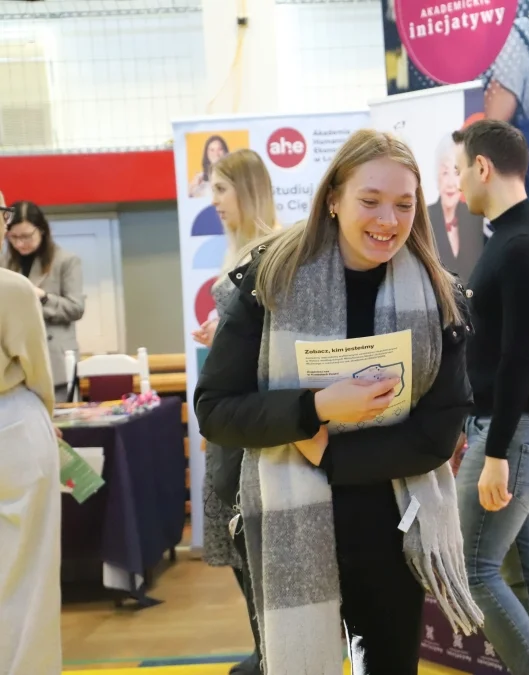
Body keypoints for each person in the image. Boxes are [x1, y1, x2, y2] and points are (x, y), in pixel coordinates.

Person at [193, 129, 482, 674]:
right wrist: (317, 409)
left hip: (393, 529)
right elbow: (216, 408)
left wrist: (330, 456)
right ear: (333, 198)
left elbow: (438, 433)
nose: (388, 221)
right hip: (287, 520)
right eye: (369, 201)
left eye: (403, 204)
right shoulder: (270, 280)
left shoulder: (439, 293)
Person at [452, 119, 529, 675]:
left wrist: (494, 452)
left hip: (512, 433)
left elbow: (523, 357)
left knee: (473, 570)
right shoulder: (516, 237)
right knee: (524, 574)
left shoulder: (521, 245)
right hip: (512, 430)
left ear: (482, 166)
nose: (457, 184)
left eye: (458, 170)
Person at [191, 149, 277, 675]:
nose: (215, 201)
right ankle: (264, 650)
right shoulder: (235, 255)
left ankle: (272, 653)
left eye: (222, 189)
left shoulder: (267, 253)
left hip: (252, 428)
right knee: (240, 548)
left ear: (247, 190)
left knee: (257, 551)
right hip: (228, 424)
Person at [0, 190, 62, 675]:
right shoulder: (11, 288)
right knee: (31, 572)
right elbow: (37, 372)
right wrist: (50, 418)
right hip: (13, 424)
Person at [2, 200, 85, 403]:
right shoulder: (4, 263)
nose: (20, 243)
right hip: (15, 362)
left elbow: (76, 308)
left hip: (56, 358)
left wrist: (43, 298)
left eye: (27, 236)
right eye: (13, 237)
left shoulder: (66, 260)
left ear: (42, 231)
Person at [427, 133, 485, 280]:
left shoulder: (475, 216)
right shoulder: (424, 218)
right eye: (445, 172)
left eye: (457, 172)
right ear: (437, 175)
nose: (451, 183)